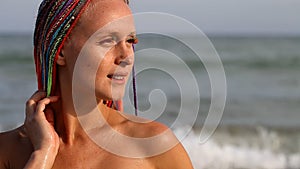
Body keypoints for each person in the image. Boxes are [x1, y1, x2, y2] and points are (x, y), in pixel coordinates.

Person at [0, 0, 194, 168]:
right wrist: (42, 156)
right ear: (60, 51)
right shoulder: (9, 151)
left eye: (130, 41)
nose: (126, 56)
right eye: (108, 40)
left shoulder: (153, 144)